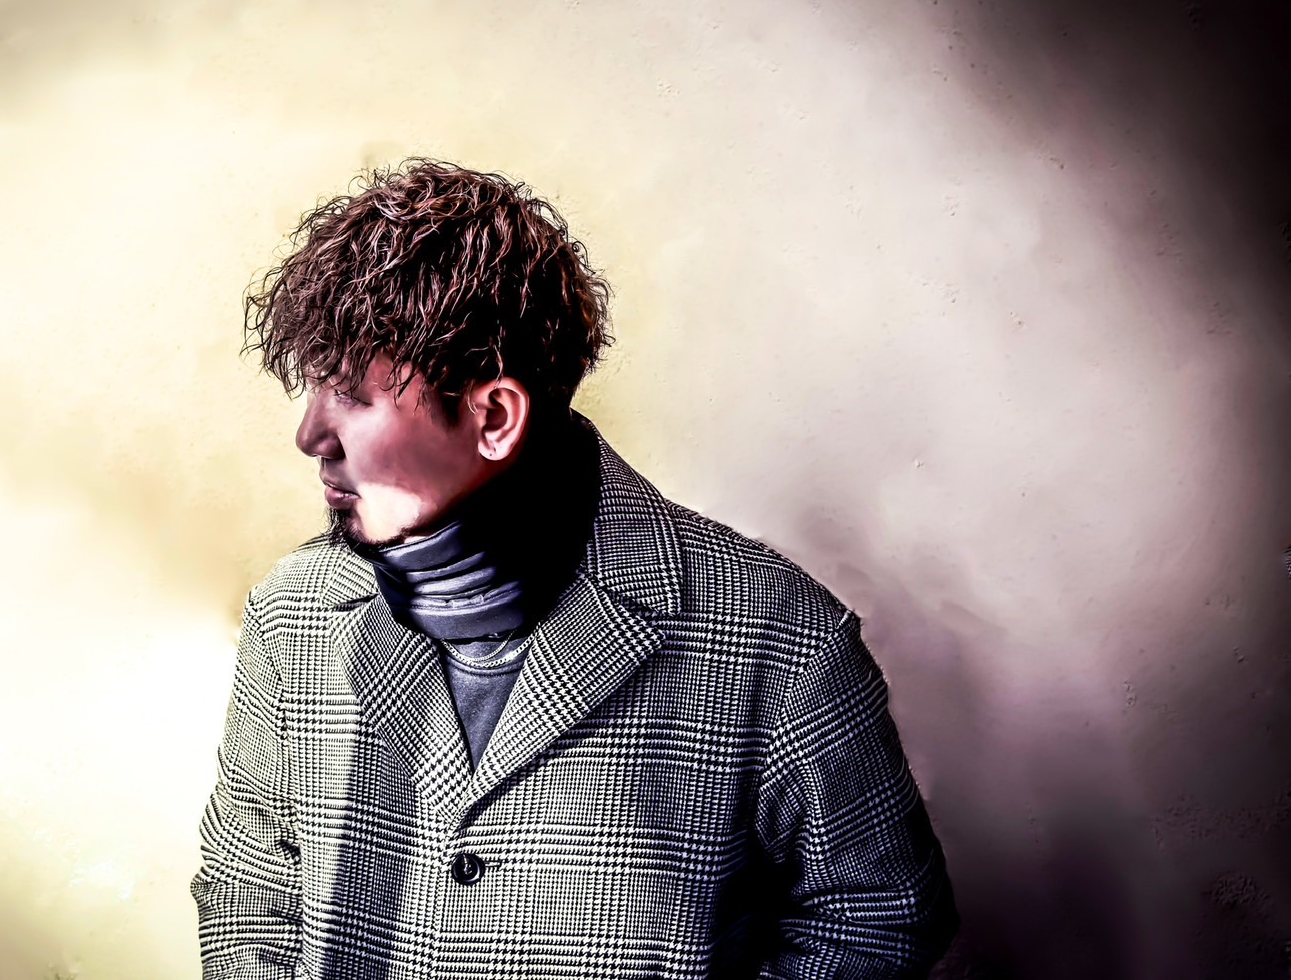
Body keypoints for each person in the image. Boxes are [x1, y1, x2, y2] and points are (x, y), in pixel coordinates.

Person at [191, 159, 958, 979]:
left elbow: (877, 923)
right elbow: (248, 896)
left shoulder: (780, 639)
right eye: (315, 388)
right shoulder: (292, 613)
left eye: (351, 395)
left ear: (493, 415)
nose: (310, 435)